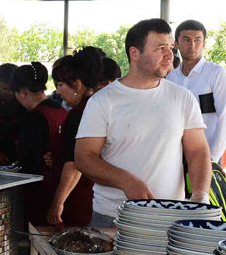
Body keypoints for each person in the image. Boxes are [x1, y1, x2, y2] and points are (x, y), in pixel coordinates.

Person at [75, 18, 211, 227]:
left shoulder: (182, 98)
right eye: (159, 48)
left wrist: (200, 197)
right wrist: (127, 181)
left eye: (170, 48)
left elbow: (198, 151)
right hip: (114, 216)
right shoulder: (103, 101)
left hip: (170, 216)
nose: (169, 56)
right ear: (135, 53)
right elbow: (84, 158)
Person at [47, 47, 108, 228]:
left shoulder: (80, 113)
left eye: (60, 85)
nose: (58, 92)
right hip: (95, 192)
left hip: (79, 195)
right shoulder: (98, 104)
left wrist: (58, 202)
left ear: (77, 84)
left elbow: (74, 164)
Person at [166, 20, 226, 165]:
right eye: (186, 39)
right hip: (175, 159)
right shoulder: (170, 78)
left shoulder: (217, 74)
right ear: (176, 43)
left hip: (205, 156)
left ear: (204, 43)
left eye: (197, 40)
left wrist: (211, 159)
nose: (192, 45)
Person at [10, 62, 68, 228]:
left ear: (23, 92)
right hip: (61, 190)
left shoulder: (34, 118)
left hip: (40, 192)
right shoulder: (61, 110)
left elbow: (30, 163)